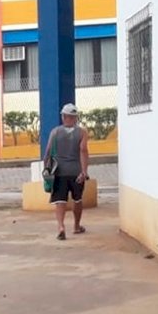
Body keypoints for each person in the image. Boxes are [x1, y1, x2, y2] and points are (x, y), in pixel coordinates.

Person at [43, 103, 89, 241]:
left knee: (60, 201)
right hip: (76, 172)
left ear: (63, 117)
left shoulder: (55, 132)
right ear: (75, 118)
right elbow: (83, 151)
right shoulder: (82, 132)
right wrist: (84, 171)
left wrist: (46, 171)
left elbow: (48, 153)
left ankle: (61, 227)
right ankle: (76, 225)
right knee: (77, 199)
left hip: (59, 172)